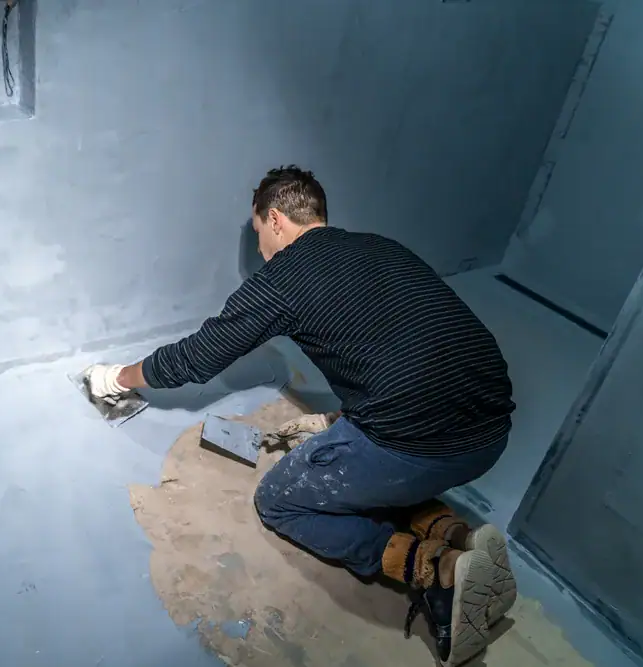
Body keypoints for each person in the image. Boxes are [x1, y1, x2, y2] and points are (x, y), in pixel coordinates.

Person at [84, 165, 517, 667]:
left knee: (281, 500)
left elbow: (195, 359)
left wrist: (118, 377)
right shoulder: (381, 246)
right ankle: (461, 535)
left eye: (258, 233)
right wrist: (345, 418)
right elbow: (408, 344)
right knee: (369, 457)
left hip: (421, 447)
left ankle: (437, 571)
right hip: (491, 434)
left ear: (274, 219)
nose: (261, 247)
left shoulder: (284, 277)